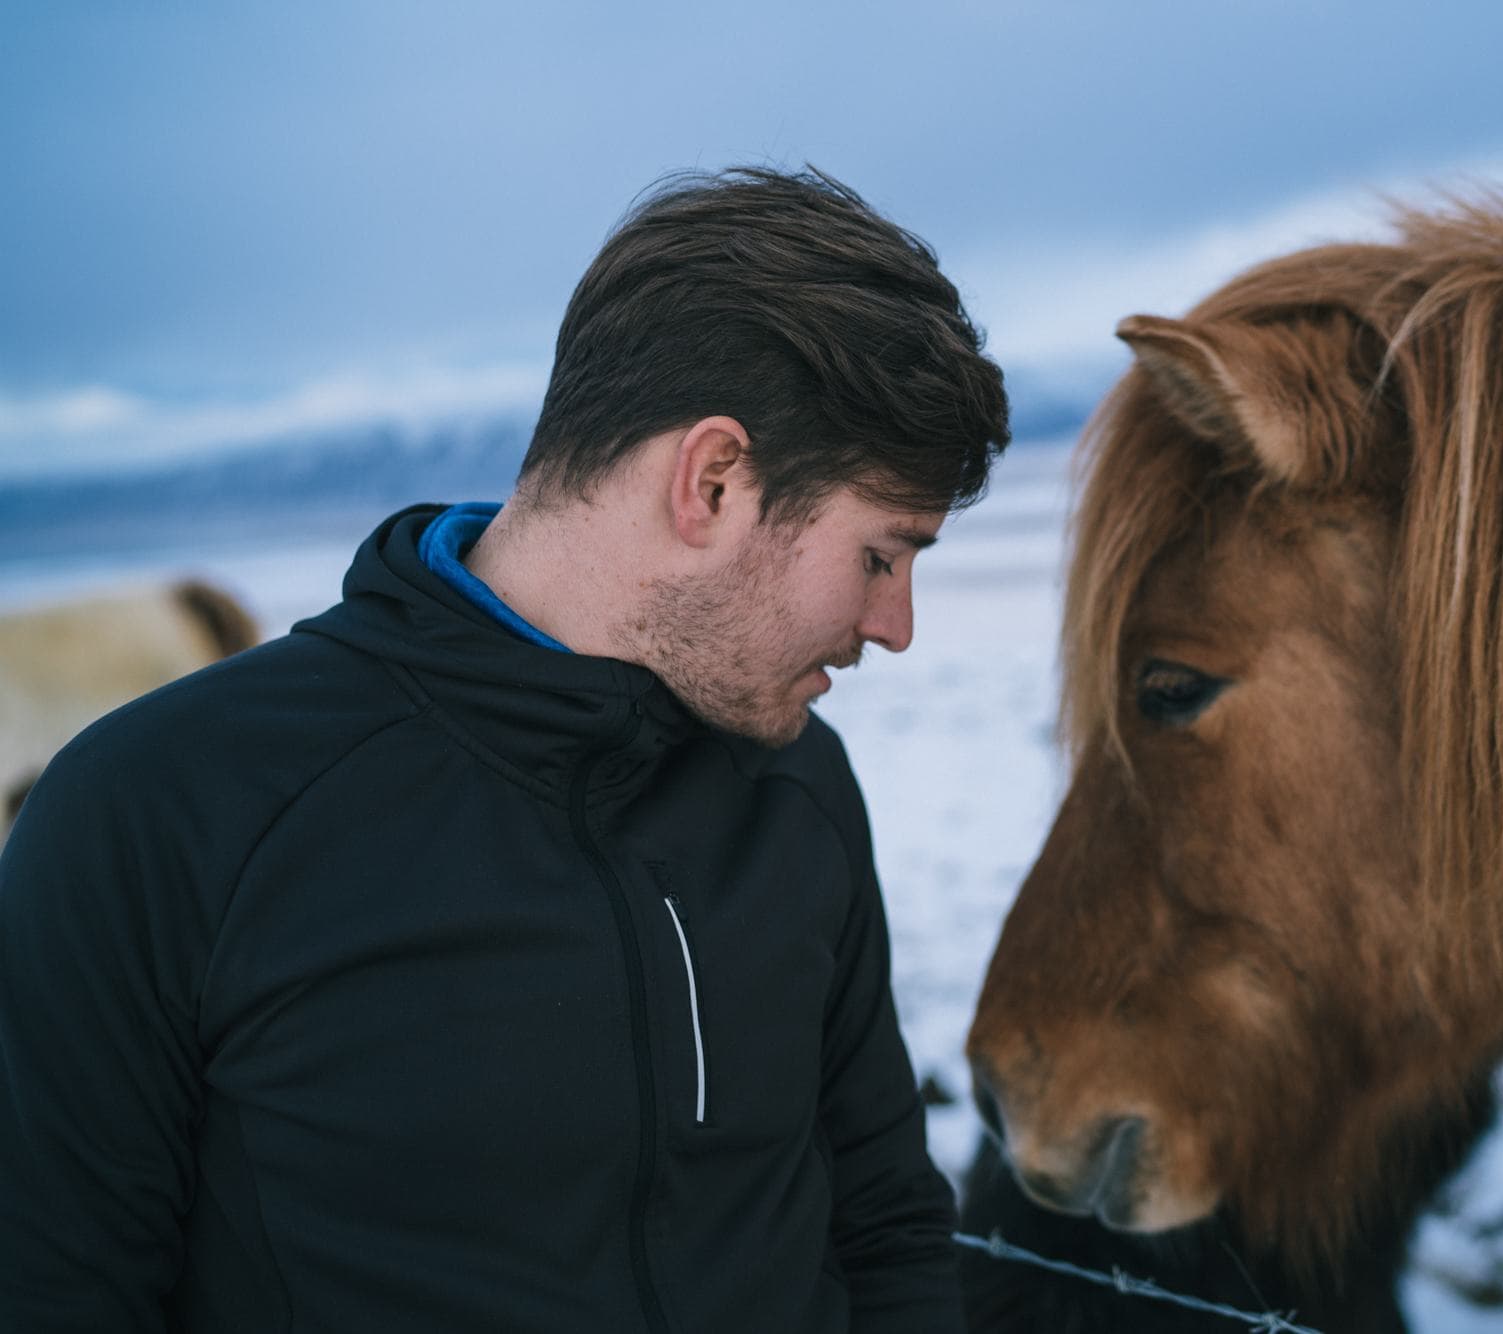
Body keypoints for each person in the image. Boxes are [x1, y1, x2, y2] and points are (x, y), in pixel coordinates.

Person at [0, 167, 1010, 1333]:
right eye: (880, 555)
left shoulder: (795, 785)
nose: (895, 625)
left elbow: (884, 1224)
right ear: (714, 482)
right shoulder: (164, 813)